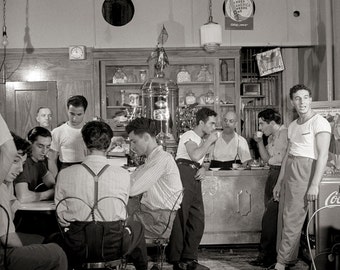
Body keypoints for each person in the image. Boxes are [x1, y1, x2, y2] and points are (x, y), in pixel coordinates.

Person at [55, 120, 148, 270]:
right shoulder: (123, 174)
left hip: (77, 246)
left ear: (84, 144)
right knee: (137, 227)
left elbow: (61, 217)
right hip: (114, 246)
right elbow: (122, 212)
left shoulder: (64, 174)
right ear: (110, 145)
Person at [272, 84, 331, 270]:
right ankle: (286, 259)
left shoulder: (319, 122)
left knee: (292, 217)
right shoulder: (292, 125)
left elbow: (323, 156)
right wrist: (279, 182)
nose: (302, 101)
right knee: (284, 216)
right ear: (292, 102)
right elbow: (287, 155)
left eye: (305, 97)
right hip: (290, 167)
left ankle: (281, 263)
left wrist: (314, 184)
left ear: (311, 99)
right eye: (298, 98)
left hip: (305, 169)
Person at [0, 128, 68, 269]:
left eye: (48, 147)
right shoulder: (2, 187)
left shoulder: (6, 185)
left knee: (51, 238)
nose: (19, 169)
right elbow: (9, 239)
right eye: (15, 161)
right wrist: (28, 250)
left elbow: (56, 185)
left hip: (9, 236)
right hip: (5, 247)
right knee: (57, 252)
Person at [167, 107, 219, 270]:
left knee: (197, 219)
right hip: (183, 173)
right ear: (201, 122)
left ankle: (189, 257)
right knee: (182, 218)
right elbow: (195, 155)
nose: (213, 128)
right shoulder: (189, 135)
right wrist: (210, 141)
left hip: (194, 174)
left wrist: (203, 168)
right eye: (211, 124)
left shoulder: (202, 140)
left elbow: (201, 160)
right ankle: (177, 260)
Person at [125, 117, 183, 239]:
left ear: (146, 137)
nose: (132, 147)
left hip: (157, 221)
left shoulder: (161, 159)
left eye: (134, 141)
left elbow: (132, 189)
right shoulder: (151, 160)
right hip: (149, 214)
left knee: (112, 225)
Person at [249, 109, 288, 268]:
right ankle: (268, 257)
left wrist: (279, 182)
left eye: (261, 123)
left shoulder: (286, 134)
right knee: (271, 218)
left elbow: (286, 160)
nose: (259, 127)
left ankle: (269, 257)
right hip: (272, 173)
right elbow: (267, 159)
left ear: (272, 122)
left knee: (270, 220)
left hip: (281, 175)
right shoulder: (272, 136)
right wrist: (259, 143)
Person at [14, 127, 55, 203]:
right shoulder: (23, 162)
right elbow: (23, 197)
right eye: (40, 146)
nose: (44, 151)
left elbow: (54, 185)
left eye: (48, 147)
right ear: (30, 144)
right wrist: (49, 194)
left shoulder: (40, 162)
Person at [50, 95, 88, 171]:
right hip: (65, 168)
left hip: (86, 167)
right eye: (72, 114)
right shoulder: (57, 132)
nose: (74, 118)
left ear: (84, 112)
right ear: (67, 111)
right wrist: (54, 180)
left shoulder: (90, 131)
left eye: (79, 114)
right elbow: (51, 159)